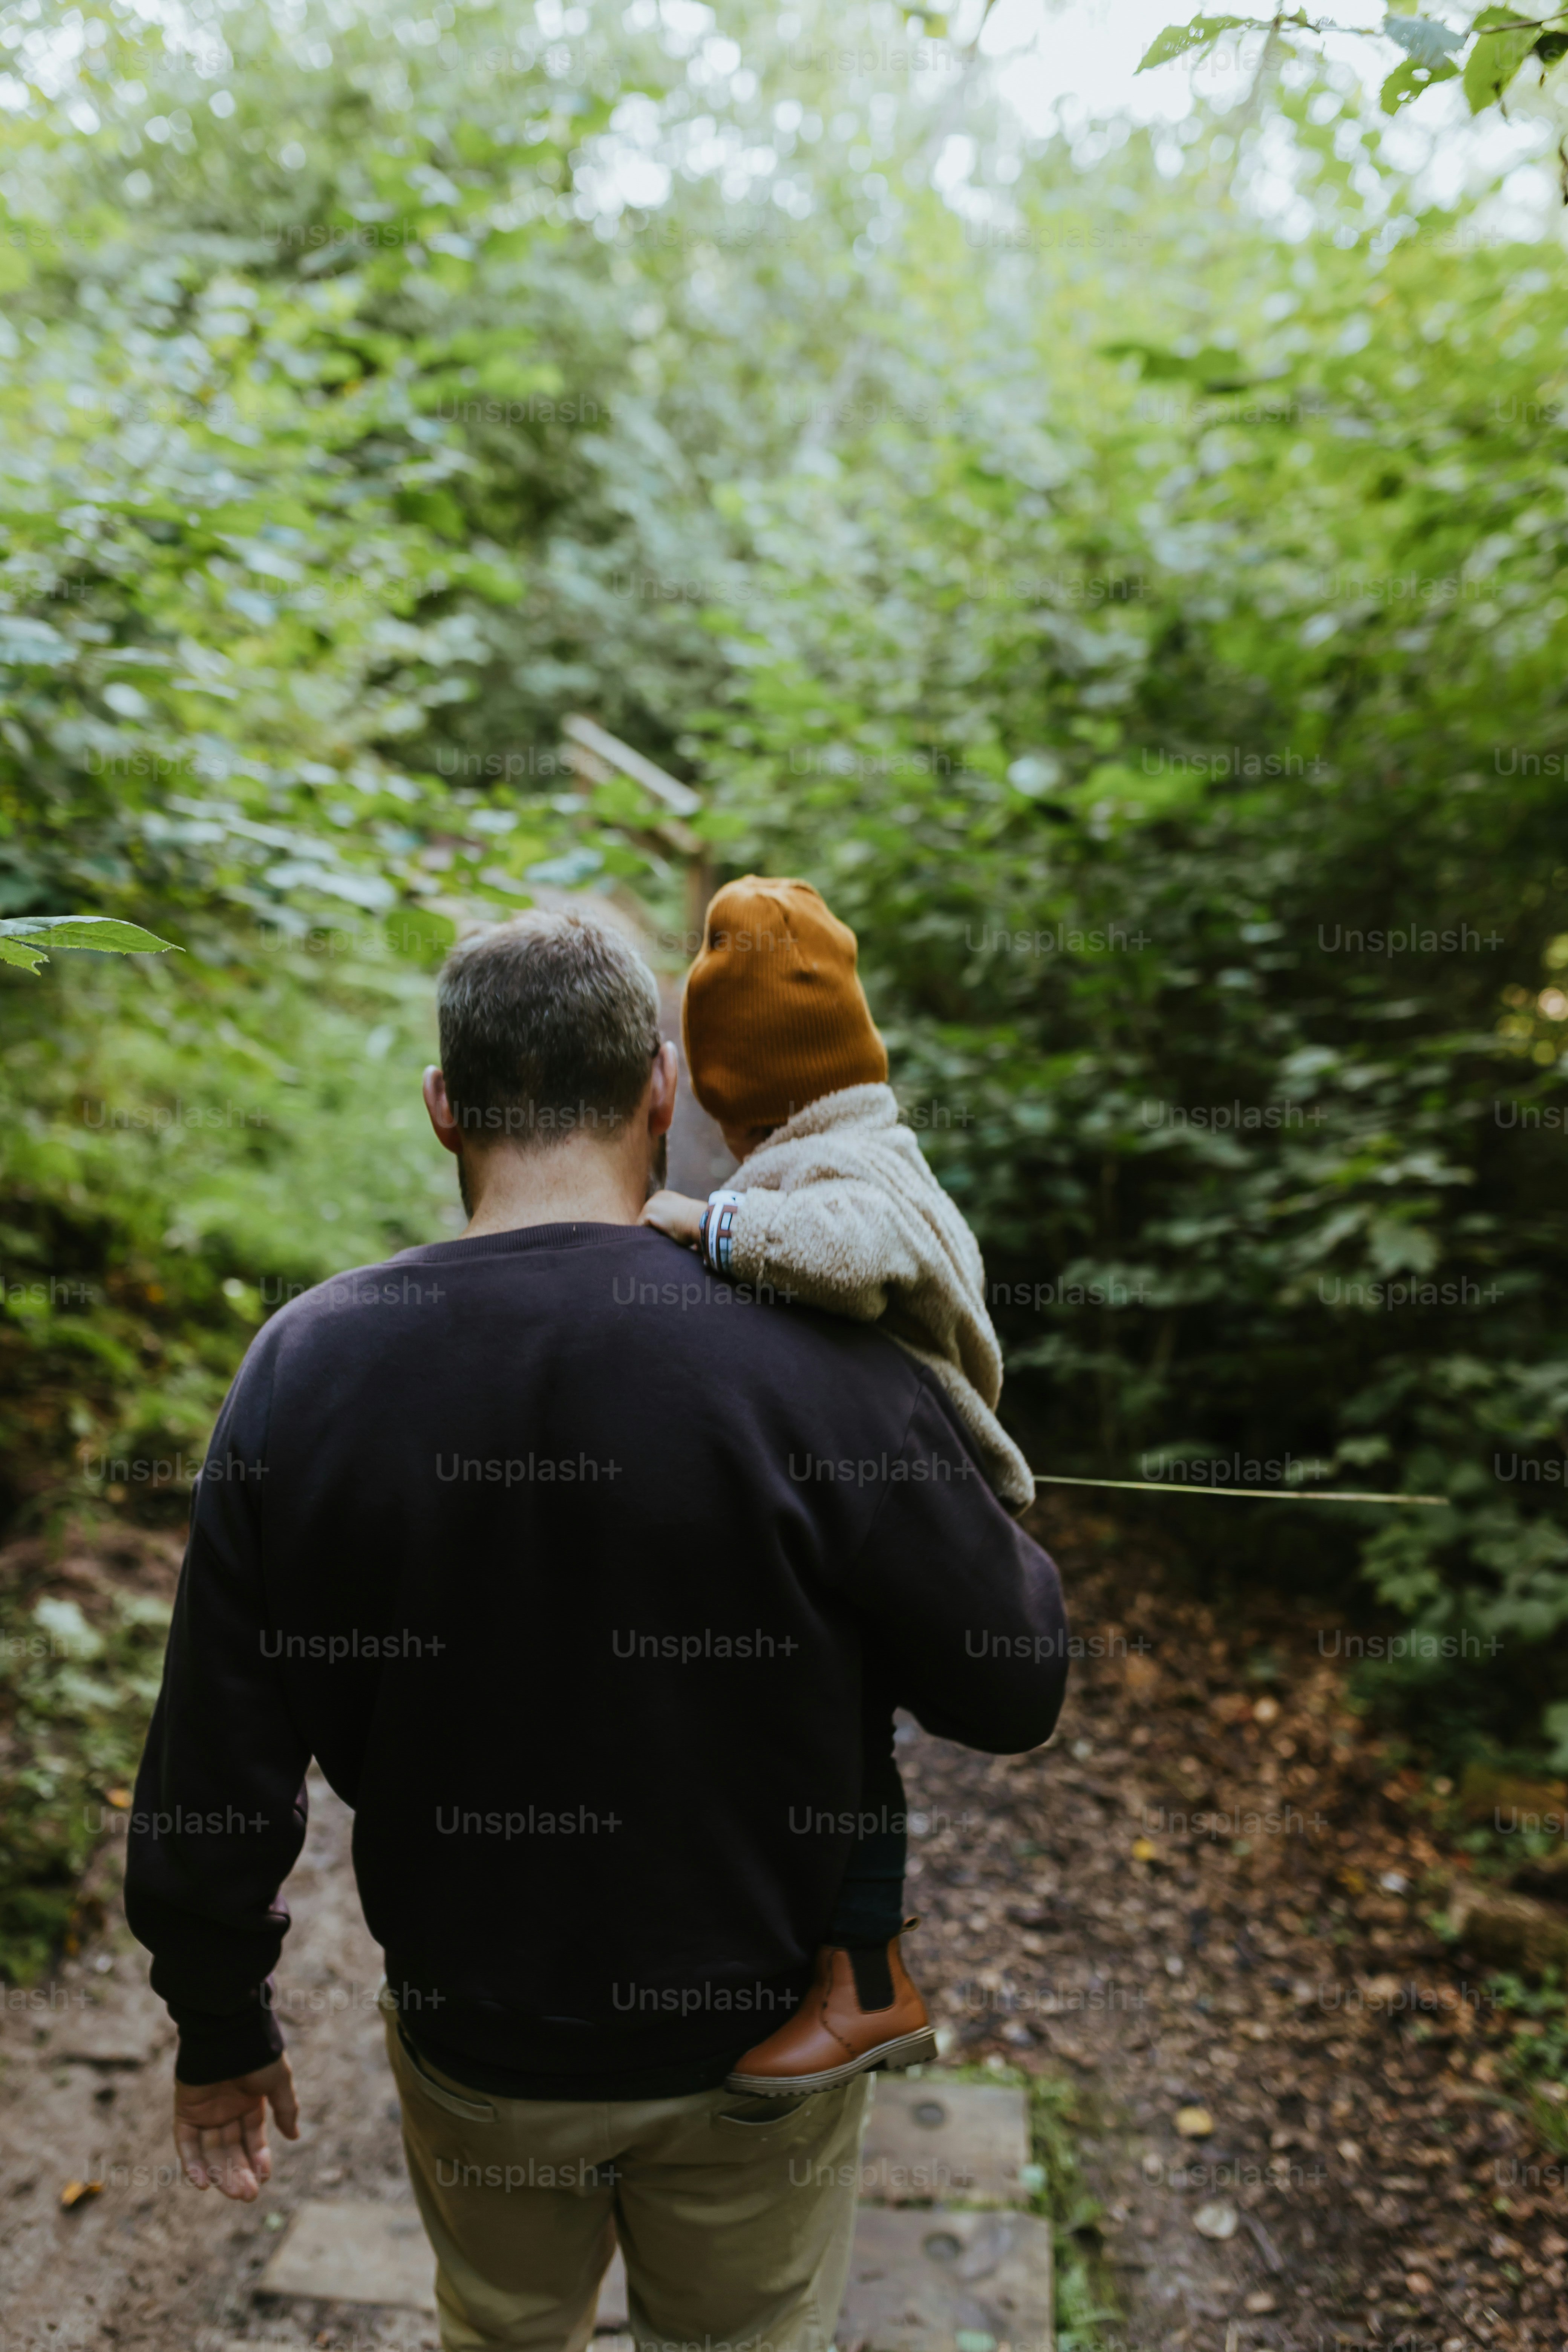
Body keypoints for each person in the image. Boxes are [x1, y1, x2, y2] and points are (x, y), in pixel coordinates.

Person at [124, 904, 1070, 2352]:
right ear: (660, 1093)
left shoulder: (303, 1368)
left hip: (480, 2040)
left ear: (444, 1108)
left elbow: (216, 1748)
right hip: (765, 2046)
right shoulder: (816, 1361)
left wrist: (220, 2023)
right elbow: (1012, 1687)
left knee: (503, 2330)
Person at [642, 873, 1033, 2093]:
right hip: (890, 1481)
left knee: (849, 1734)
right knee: (835, 1722)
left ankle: (868, 1978)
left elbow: (849, 1266)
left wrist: (702, 1227)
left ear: (747, 1099)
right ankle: (844, 1957)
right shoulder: (877, 1142)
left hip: (910, 1490)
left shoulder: (842, 1178)